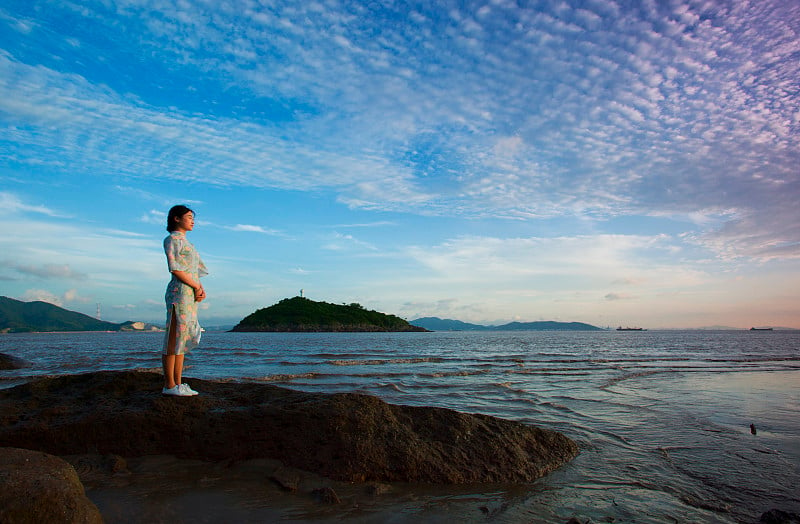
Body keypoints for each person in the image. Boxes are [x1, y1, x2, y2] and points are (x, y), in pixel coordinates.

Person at [162, 204, 208, 396]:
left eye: (192, 217)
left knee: (182, 339)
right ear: (176, 218)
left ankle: (179, 384)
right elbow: (176, 268)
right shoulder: (172, 240)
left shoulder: (188, 243)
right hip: (178, 292)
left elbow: (193, 272)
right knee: (173, 339)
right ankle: (170, 385)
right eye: (189, 216)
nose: (192, 220)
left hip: (189, 293)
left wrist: (200, 288)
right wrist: (196, 286)